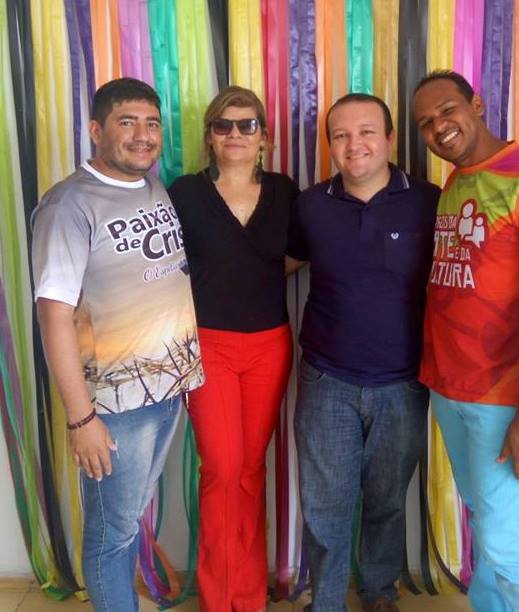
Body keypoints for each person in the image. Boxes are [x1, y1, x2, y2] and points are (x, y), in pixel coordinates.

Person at [31, 77, 204, 612]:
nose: (142, 135)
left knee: (127, 523)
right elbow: (53, 315)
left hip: (166, 392)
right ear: (95, 129)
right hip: (112, 408)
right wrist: (81, 419)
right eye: (127, 122)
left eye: (151, 124)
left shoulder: (152, 187)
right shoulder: (68, 205)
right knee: (111, 535)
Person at [413, 69, 519, 612]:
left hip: (502, 396)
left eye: (447, 110)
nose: (439, 127)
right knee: (487, 524)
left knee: (508, 545)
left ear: (476, 105)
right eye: (426, 123)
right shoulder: (456, 183)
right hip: (449, 386)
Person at [288, 93, 440, 612]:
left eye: (367, 132)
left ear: (390, 139)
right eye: (341, 135)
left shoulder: (429, 201)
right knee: (325, 506)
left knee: (386, 501)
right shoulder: (310, 205)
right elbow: (280, 263)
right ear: (330, 145)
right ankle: (327, 602)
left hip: (404, 383)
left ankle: (378, 593)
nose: (355, 145)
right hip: (326, 380)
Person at [167, 86, 299, 612]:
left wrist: (248, 275)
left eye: (247, 125)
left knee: (250, 469)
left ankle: (248, 596)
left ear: (264, 136)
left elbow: (297, 255)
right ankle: (218, 599)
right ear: (210, 136)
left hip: (270, 345)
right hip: (208, 347)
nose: (236, 134)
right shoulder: (184, 193)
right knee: (221, 468)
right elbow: (163, 265)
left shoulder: (284, 191)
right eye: (224, 125)